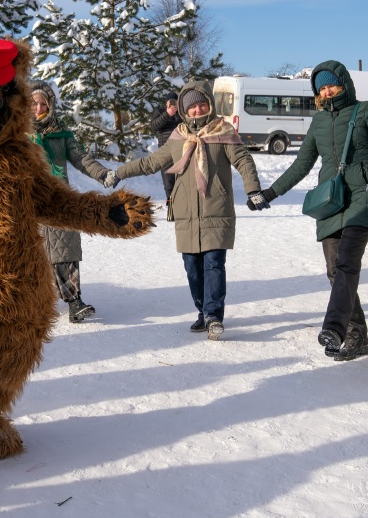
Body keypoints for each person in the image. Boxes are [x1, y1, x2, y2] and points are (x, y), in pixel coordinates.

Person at [255, 61, 368, 362]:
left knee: (348, 260)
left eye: (331, 85)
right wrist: (271, 191)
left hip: (364, 194)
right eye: (321, 88)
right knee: (334, 269)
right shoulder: (319, 122)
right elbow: (301, 164)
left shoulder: (366, 111)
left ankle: (336, 328)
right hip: (331, 199)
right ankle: (357, 335)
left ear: (344, 84)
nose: (327, 91)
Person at [105, 79, 260, 340]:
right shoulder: (178, 138)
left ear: (209, 105)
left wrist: (253, 189)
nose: (197, 110)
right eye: (192, 107)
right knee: (192, 267)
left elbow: (243, 160)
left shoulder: (223, 131)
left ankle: (213, 315)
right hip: (186, 213)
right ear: (185, 110)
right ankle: (203, 311)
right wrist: (119, 172)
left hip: (216, 208)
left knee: (213, 264)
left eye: (202, 105)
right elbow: (150, 163)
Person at [29, 80, 111, 323]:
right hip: (28, 199)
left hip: (57, 197)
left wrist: (102, 173)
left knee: (65, 246)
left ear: (50, 105)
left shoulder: (61, 132)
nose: (38, 108)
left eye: (43, 103)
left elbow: (82, 158)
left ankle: (74, 302)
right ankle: (32, 305)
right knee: (31, 253)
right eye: (34, 104)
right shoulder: (16, 132)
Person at [150, 95, 181, 218]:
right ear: (166, 103)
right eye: (171, 102)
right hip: (165, 151)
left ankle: (182, 208)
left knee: (181, 180)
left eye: (175, 102)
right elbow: (154, 126)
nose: (173, 104)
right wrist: (167, 114)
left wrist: (179, 113)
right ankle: (171, 208)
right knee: (168, 182)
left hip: (181, 150)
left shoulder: (182, 113)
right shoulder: (160, 112)